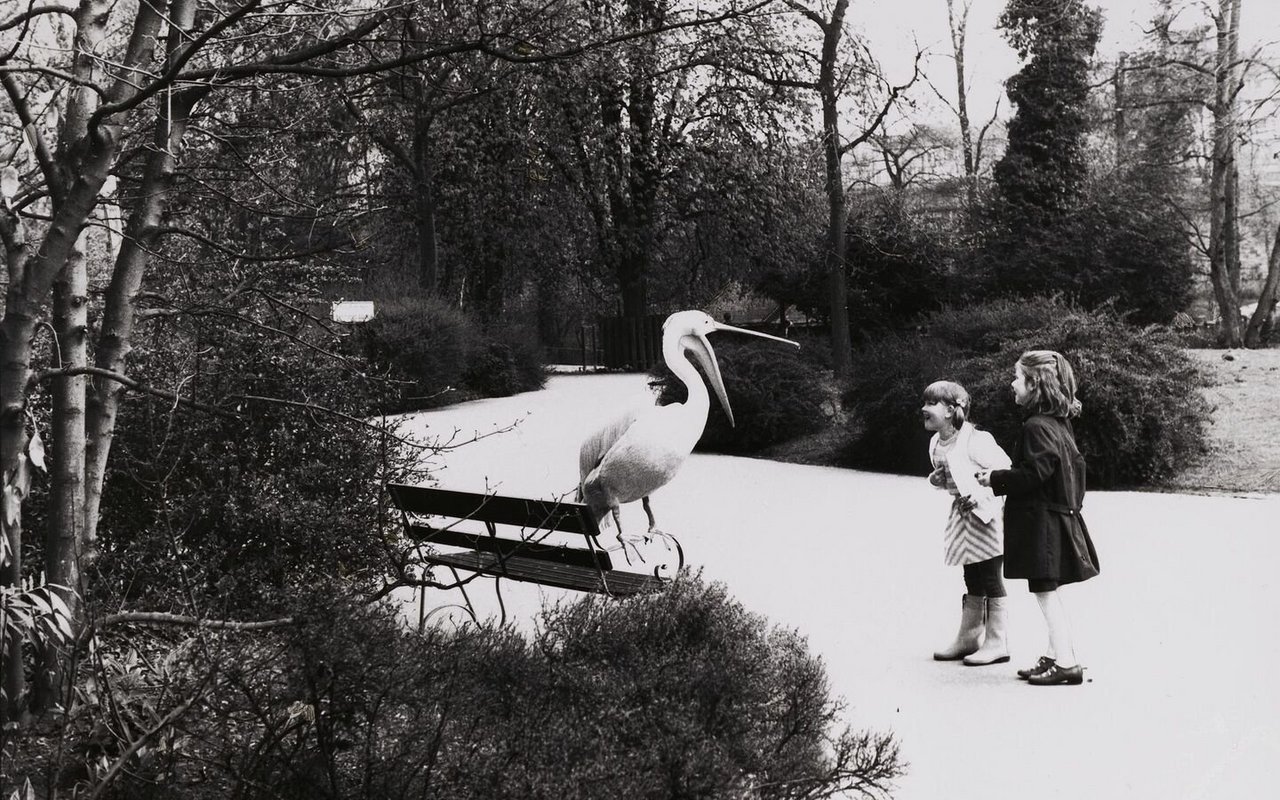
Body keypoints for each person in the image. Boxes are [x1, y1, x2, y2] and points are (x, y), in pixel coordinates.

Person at [976, 351, 1100, 686]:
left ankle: (1067, 662)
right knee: (1047, 588)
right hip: (1056, 519)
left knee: (1045, 591)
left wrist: (995, 478)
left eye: (1017, 378)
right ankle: (1054, 656)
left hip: (1042, 523)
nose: (1012, 384)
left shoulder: (1036, 426)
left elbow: (1034, 474)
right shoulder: (1059, 424)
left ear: (1034, 384)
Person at [922, 380, 1013, 666]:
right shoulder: (937, 441)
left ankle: (998, 642)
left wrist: (983, 493)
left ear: (950, 411)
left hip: (986, 517)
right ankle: (969, 637)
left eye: (930, 404)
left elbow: (1005, 470)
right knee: (971, 575)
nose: (923, 409)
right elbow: (948, 475)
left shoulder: (976, 439)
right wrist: (937, 479)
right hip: (963, 519)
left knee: (990, 577)